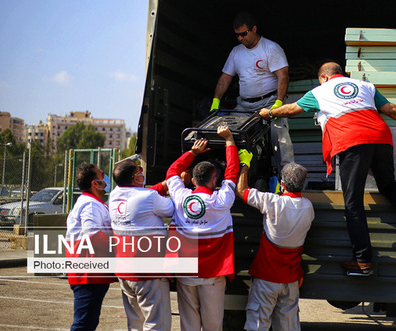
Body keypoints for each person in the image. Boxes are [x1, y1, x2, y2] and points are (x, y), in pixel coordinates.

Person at [258, 62, 396, 275]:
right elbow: (392, 110)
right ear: (341, 75)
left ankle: (363, 260)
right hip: (381, 138)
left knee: (353, 203)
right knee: (388, 184)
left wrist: (269, 113)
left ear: (324, 78)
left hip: (351, 141)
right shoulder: (364, 86)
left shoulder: (320, 90)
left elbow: (291, 109)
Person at [164, 125, 239, 331]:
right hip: (214, 274)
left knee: (188, 324)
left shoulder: (180, 196)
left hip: (185, 272)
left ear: (192, 179)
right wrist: (229, 140)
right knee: (213, 325)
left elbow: (172, 171)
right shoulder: (222, 200)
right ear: (215, 179)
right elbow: (232, 172)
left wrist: (193, 152)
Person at [235, 151, 314, 331]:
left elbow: (241, 191)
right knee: (288, 326)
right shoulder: (308, 207)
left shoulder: (272, 202)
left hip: (266, 278)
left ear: (282, 184)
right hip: (291, 280)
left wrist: (245, 164)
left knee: (257, 325)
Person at [211, 11, 294, 171]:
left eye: (243, 34)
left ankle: (288, 177)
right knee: (230, 133)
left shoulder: (271, 48)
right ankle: (231, 172)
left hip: (269, 102)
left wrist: (278, 103)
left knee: (280, 137)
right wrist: (216, 101)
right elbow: (225, 78)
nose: (241, 38)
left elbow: (283, 75)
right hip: (244, 106)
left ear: (254, 29)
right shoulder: (236, 52)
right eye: (237, 36)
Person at [109, 159, 175, 331]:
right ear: (135, 178)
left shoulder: (114, 195)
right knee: (156, 324)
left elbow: (141, 196)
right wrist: (175, 186)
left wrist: (164, 184)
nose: (142, 172)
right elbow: (172, 208)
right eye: (139, 170)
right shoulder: (149, 197)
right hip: (148, 273)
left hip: (124, 272)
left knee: (135, 324)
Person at [66, 164, 117, 331]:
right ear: (95, 183)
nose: (106, 178)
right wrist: (120, 248)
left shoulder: (95, 203)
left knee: (89, 322)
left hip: (91, 270)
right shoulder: (90, 204)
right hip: (87, 271)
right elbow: (93, 235)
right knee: (83, 324)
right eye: (103, 175)